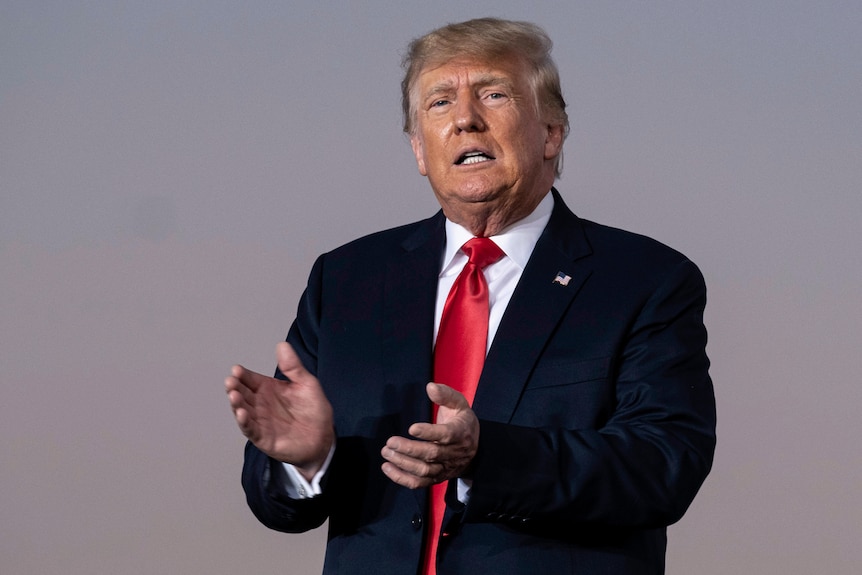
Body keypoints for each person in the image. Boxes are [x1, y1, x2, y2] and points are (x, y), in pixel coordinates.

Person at [225, 17, 716, 575]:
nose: (465, 119)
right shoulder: (346, 280)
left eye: (493, 94)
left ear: (552, 132)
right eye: (439, 102)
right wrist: (308, 462)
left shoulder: (644, 279)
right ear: (418, 149)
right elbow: (276, 506)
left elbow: (664, 466)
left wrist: (487, 457)